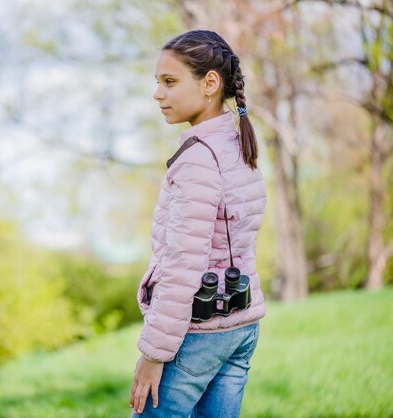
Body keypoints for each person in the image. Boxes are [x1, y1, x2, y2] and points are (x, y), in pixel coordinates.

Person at [129, 30, 267, 418]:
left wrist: (153, 354)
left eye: (170, 82)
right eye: (157, 82)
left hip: (200, 332)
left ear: (210, 83)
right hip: (242, 325)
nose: (158, 94)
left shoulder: (198, 159)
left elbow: (184, 264)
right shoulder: (238, 143)